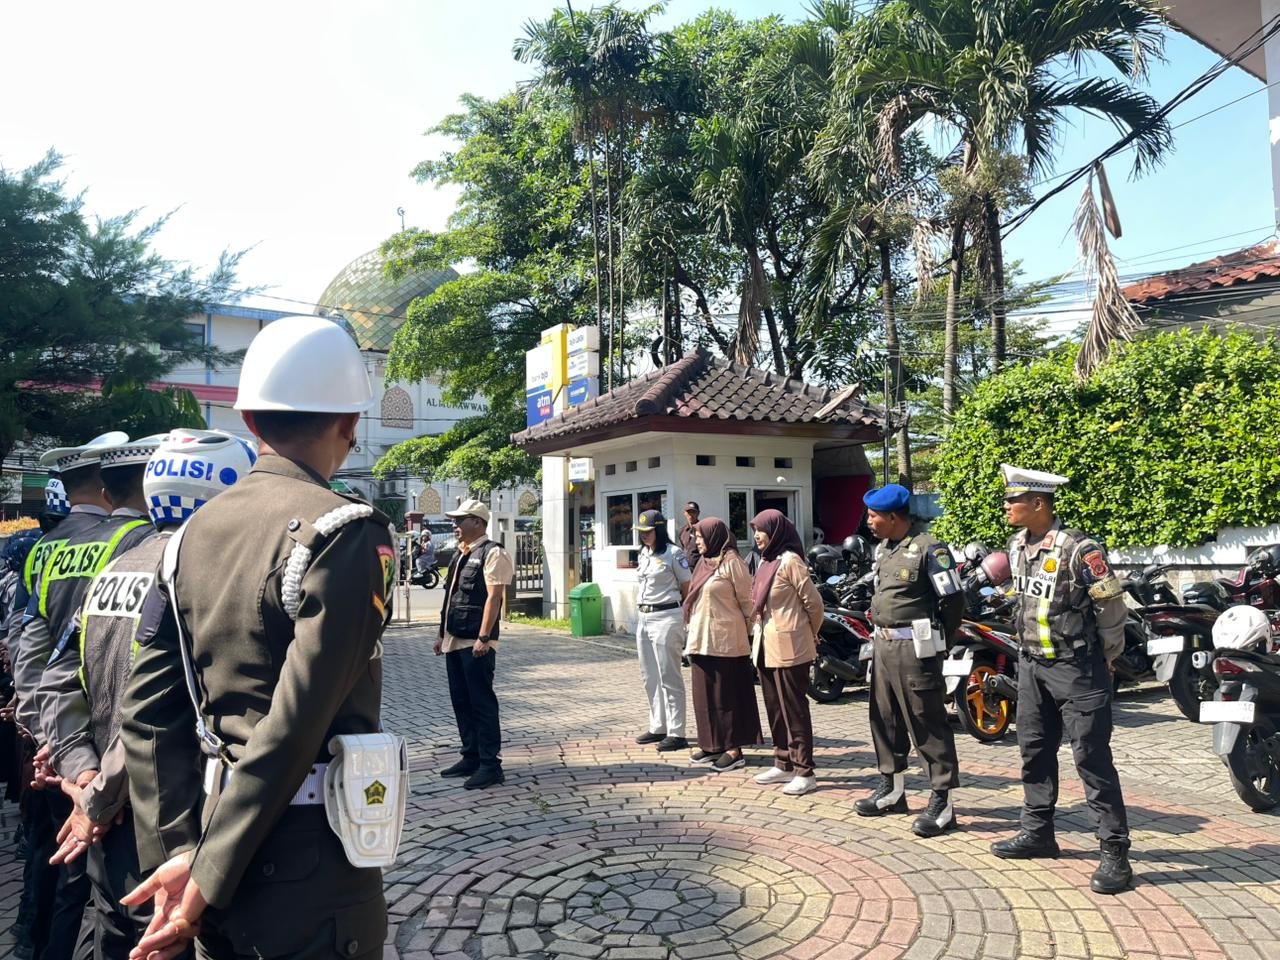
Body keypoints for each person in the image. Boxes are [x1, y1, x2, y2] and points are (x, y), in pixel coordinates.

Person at [121, 316, 399, 960]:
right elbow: (295, 724)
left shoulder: (187, 538)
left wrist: (180, 853)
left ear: (249, 421)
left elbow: (147, 714)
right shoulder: (345, 532)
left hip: (208, 844)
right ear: (350, 424)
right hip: (310, 865)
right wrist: (206, 874)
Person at [48, 430, 256, 960]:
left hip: (106, 827)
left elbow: (60, 676)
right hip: (172, 826)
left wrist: (81, 772)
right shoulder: (201, 578)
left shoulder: (113, 570)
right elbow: (153, 708)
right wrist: (100, 793)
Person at [990, 465, 1133, 895]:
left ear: (1038, 503)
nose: (1007, 506)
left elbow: (1110, 606)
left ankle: (1114, 850)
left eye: (1014, 500)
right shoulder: (1017, 546)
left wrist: (1105, 657)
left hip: (1077, 669)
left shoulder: (1079, 549)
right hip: (1032, 667)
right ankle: (1038, 833)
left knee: (1091, 758)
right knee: (1033, 751)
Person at [854, 484, 963, 838]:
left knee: (925, 720)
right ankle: (892, 788)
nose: (868, 522)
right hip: (883, 645)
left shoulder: (930, 549)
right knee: (884, 718)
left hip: (915, 649)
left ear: (893, 517)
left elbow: (953, 600)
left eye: (873, 516)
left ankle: (942, 801)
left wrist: (939, 641)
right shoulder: (884, 549)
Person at [436, 498, 514, 790]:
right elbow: (451, 597)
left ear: (478, 522)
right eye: (454, 520)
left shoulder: (493, 553)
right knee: (461, 701)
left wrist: (484, 637)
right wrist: (440, 634)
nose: (455, 525)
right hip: (454, 639)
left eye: (460, 520)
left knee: (481, 703)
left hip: (476, 641)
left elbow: (494, 598)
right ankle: (470, 756)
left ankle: (490, 765)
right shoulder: (461, 553)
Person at [748, 510, 822, 796]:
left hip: (791, 647)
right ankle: (783, 762)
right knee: (775, 707)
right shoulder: (766, 561)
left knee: (794, 709)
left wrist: (808, 633)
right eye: (754, 530)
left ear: (776, 531)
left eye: (761, 530)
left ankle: (805, 771)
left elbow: (814, 605)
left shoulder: (790, 561)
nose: (757, 536)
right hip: (766, 646)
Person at [681, 517, 760, 772]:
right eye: (696, 537)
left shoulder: (732, 563)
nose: (697, 542)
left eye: (701, 537)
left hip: (727, 643)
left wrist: (748, 635)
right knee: (704, 697)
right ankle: (711, 744)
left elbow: (748, 603)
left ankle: (733, 749)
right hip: (701, 640)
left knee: (727, 697)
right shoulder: (703, 563)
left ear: (714, 536)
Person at [632, 510, 691, 752]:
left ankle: (677, 732)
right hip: (644, 617)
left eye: (649, 531)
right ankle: (658, 726)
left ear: (659, 529)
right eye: (641, 532)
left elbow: (687, 586)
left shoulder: (674, 553)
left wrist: (684, 616)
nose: (644, 535)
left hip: (667, 616)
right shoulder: (644, 553)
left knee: (669, 675)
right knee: (650, 675)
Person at [678, 501, 702, 569]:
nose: (691, 514)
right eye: (688, 512)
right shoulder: (682, 531)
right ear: (684, 513)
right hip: (686, 569)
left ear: (698, 513)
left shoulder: (703, 530)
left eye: (693, 512)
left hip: (699, 569)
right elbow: (683, 549)